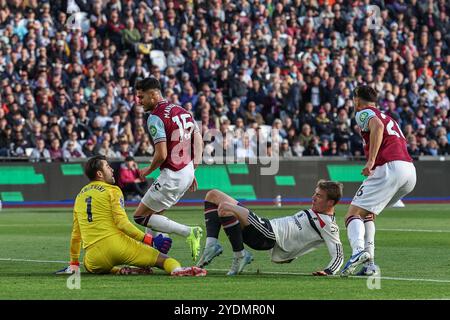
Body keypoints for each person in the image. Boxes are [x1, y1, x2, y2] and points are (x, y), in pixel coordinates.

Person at [56, 156, 206, 277]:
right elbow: (122, 223)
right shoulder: (112, 190)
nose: (112, 169)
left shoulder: (80, 195)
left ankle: (119, 270)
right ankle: (177, 271)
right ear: (99, 174)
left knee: (90, 267)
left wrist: (75, 263)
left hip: (94, 257)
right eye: (107, 167)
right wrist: (150, 240)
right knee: (166, 260)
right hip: (118, 245)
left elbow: (76, 234)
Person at [341, 86, 416, 276]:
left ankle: (358, 251)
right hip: (409, 171)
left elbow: (377, 127)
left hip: (388, 167)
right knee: (368, 214)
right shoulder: (389, 117)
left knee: (352, 214)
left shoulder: (364, 113)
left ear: (357, 100)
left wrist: (371, 161)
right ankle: (370, 265)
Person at [197, 180, 344, 276]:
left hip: (268, 236)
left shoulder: (329, 225)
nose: (313, 197)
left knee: (225, 207)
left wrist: (329, 271)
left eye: (319, 196)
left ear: (330, 202)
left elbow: (338, 255)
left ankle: (240, 255)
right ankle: (212, 246)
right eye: (315, 193)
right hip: (265, 227)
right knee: (212, 195)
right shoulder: (316, 211)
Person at [133, 77, 204, 261]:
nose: (139, 101)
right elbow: (198, 140)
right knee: (154, 215)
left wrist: (148, 170)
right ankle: (153, 256)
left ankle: (189, 231)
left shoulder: (155, 117)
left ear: (154, 95)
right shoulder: (183, 111)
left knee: (140, 217)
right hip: (186, 171)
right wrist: (192, 168)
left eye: (141, 97)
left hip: (173, 174)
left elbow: (162, 154)